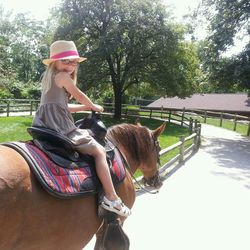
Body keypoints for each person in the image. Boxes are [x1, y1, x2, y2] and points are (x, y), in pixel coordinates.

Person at [32, 40, 131, 217]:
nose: (70, 65)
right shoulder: (63, 77)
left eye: (73, 62)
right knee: (99, 151)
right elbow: (79, 95)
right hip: (59, 126)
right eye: (65, 61)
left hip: (44, 124)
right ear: (55, 62)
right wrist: (93, 105)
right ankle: (111, 197)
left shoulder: (50, 78)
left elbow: (62, 106)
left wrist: (86, 108)